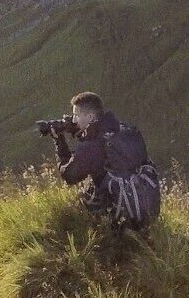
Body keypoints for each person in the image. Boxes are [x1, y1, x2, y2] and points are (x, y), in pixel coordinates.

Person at [42, 91, 157, 227]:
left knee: (77, 205)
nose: (73, 120)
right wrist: (81, 132)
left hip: (120, 219)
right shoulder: (126, 130)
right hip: (147, 209)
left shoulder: (91, 147)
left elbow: (69, 176)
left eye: (77, 115)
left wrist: (59, 141)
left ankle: (109, 234)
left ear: (90, 116)